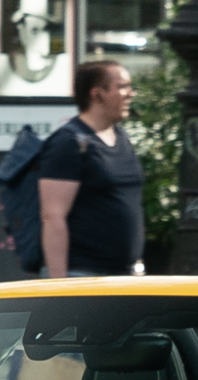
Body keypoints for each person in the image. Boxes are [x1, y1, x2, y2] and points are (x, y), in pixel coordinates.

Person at [37, 60, 145, 280]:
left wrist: (138, 266)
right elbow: (53, 216)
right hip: (83, 275)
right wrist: (58, 285)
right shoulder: (68, 142)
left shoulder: (122, 137)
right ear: (97, 94)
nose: (130, 94)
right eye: (122, 86)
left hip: (126, 275)